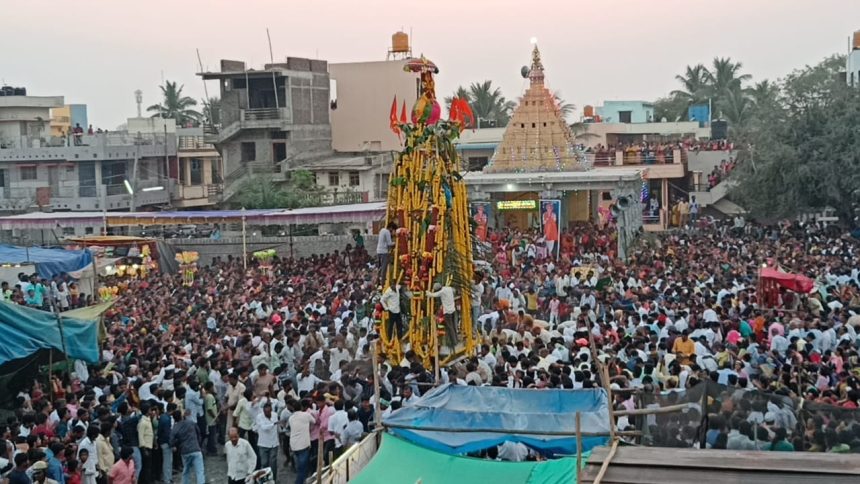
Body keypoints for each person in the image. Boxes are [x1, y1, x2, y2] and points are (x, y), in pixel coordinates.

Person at [170, 410, 205, 484]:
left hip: (185, 451)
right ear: (181, 416)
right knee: (200, 471)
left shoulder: (175, 428)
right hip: (196, 449)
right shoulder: (191, 422)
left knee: (186, 471)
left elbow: (171, 440)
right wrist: (198, 443)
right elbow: (199, 433)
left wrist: (176, 444)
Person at [289, 400, 316, 484]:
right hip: (303, 445)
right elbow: (314, 422)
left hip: (294, 445)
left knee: (300, 466)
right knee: (302, 468)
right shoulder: (306, 415)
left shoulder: (291, 418)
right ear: (301, 407)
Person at [254, 402, 280, 482]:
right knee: (264, 463)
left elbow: (277, 428)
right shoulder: (259, 417)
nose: (267, 414)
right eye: (266, 412)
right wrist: (274, 424)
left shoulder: (275, 415)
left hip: (274, 443)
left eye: (269, 412)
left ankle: (273, 480)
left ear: (271, 410)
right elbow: (264, 427)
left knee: (273, 463)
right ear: (263, 411)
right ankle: (264, 479)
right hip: (263, 443)